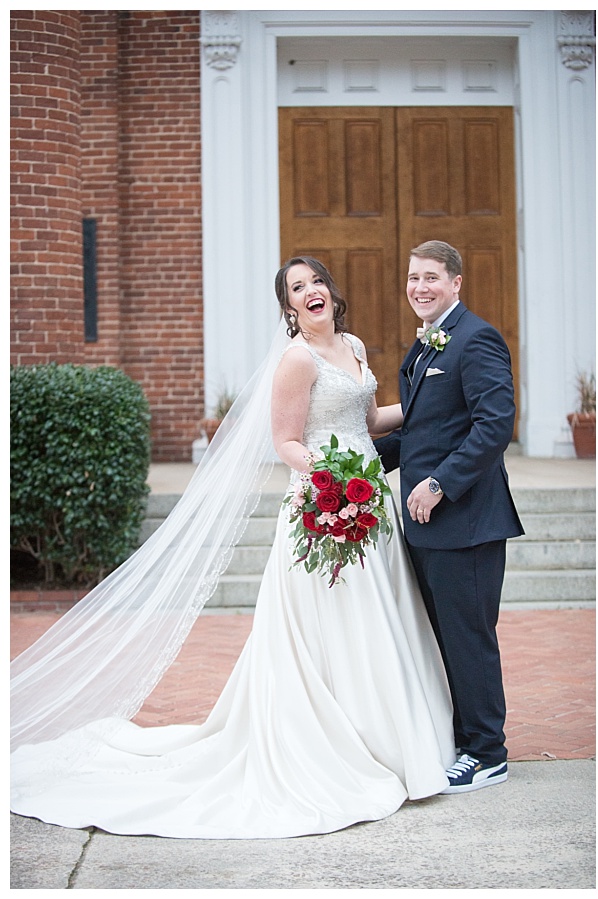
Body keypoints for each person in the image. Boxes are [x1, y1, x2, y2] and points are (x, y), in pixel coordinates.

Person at [10, 257, 455, 838]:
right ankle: (340, 743)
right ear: (289, 308)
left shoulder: (356, 345)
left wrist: (438, 406)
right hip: (323, 504)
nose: (310, 292)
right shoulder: (297, 360)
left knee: (378, 616)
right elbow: (286, 441)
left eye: (315, 281)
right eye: (297, 288)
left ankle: (393, 739)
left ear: (330, 290)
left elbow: (370, 419)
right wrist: (332, 480)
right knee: (333, 622)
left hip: (371, 506)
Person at [374, 240, 524, 794]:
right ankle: (465, 741)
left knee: (469, 639)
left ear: (456, 282)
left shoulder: (476, 338)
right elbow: (420, 434)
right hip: (428, 526)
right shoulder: (424, 348)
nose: (420, 287)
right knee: (445, 637)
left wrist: (440, 484)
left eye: (431, 277)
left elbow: (495, 424)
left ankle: (488, 753)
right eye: (413, 278)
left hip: (467, 522)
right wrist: (353, 467)